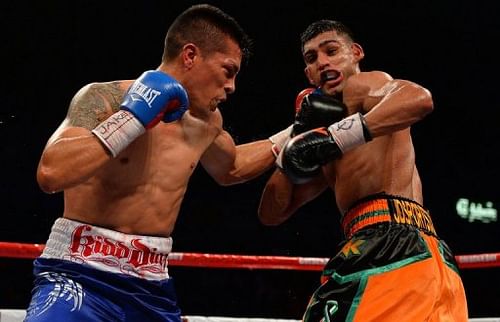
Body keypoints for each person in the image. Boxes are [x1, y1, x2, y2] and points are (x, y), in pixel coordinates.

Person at [25, 4, 282, 321]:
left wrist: (296, 132)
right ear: (190, 55)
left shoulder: (206, 123)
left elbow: (232, 167)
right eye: (228, 71)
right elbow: (51, 172)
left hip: (150, 290)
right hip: (78, 273)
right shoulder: (105, 98)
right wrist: (133, 119)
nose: (231, 87)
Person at [258, 20, 468, 321]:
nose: (323, 62)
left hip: (389, 248)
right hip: (417, 257)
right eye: (312, 58)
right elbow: (272, 213)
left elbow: (419, 99)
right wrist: (297, 139)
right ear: (308, 74)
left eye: (331, 50)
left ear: (355, 53)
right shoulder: (322, 139)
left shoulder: (365, 87)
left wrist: (339, 136)